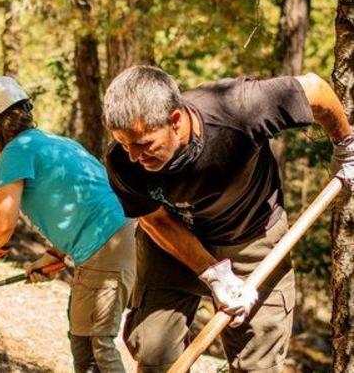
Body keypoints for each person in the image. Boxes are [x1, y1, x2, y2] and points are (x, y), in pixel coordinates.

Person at [102, 65, 354, 372]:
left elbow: (314, 89)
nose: (133, 156)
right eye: (125, 144)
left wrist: (346, 145)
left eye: (143, 144)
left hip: (254, 236)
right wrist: (213, 274)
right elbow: (156, 221)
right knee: (156, 356)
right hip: (176, 242)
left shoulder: (239, 109)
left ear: (176, 120)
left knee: (257, 364)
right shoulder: (122, 162)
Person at [0, 76, 136, 373]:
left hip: (105, 245)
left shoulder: (14, 152)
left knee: (98, 346)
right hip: (119, 237)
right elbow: (85, 199)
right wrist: (56, 254)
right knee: (84, 342)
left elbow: (3, 221)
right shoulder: (57, 142)